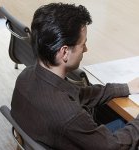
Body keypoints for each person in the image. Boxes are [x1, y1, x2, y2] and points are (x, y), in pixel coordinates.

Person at [11, 3, 139, 150]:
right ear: (64, 52)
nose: (86, 49)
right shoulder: (69, 115)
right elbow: (112, 146)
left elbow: (79, 93)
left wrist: (126, 87)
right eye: (82, 44)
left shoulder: (26, 76)